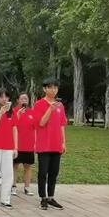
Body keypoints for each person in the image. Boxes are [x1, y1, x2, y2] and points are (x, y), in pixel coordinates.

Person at [33, 78, 67, 210]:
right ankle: (43, 198)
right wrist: (50, 110)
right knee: (43, 172)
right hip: (44, 144)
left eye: (55, 88)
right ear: (45, 89)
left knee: (54, 172)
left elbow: (62, 125)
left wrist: (63, 142)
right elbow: (41, 123)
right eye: (50, 87)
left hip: (56, 144)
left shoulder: (60, 106)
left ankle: (51, 197)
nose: (53, 90)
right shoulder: (39, 104)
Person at [13, 93, 36, 196]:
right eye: (22, 98)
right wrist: (18, 115)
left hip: (29, 144)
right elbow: (12, 126)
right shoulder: (14, 111)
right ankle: (13, 186)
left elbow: (35, 129)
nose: (24, 100)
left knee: (28, 166)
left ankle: (27, 187)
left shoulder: (32, 112)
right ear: (18, 100)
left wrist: (35, 142)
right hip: (17, 144)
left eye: (26, 98)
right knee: (15, 166)